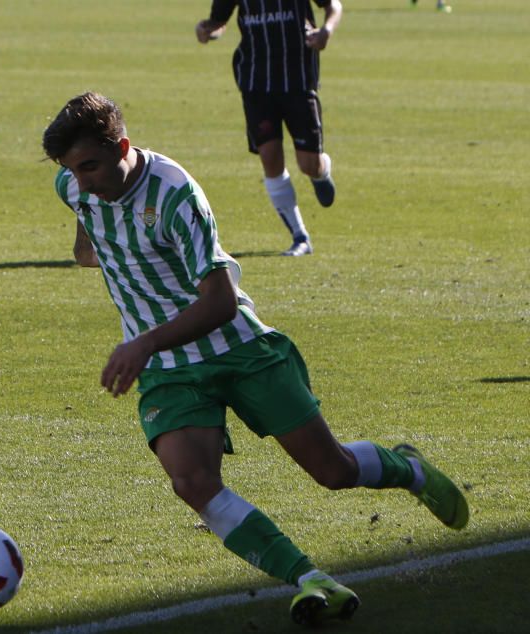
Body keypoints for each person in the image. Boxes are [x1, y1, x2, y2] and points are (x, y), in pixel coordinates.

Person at [42, 92, 468, 625]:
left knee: (332, 470)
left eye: (89, 167)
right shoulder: (75, 187)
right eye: (71, 171)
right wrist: (95, 244)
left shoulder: (175, 194)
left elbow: (220, 301)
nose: (81, 182)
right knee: (192, 483)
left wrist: (143, 341)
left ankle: (410, 469)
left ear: (122, 149)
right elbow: (86, 241)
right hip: (170, 371)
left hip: (238, 348)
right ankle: (310, 579)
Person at [195, 1, 343, 256]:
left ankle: (321, 170)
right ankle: (300, 236)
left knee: (309, 164)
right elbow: (219, 21)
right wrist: (207, 30)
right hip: (256, 81)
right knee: (270, 157)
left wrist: (326, 31)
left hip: (297, 80)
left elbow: (333, 5)